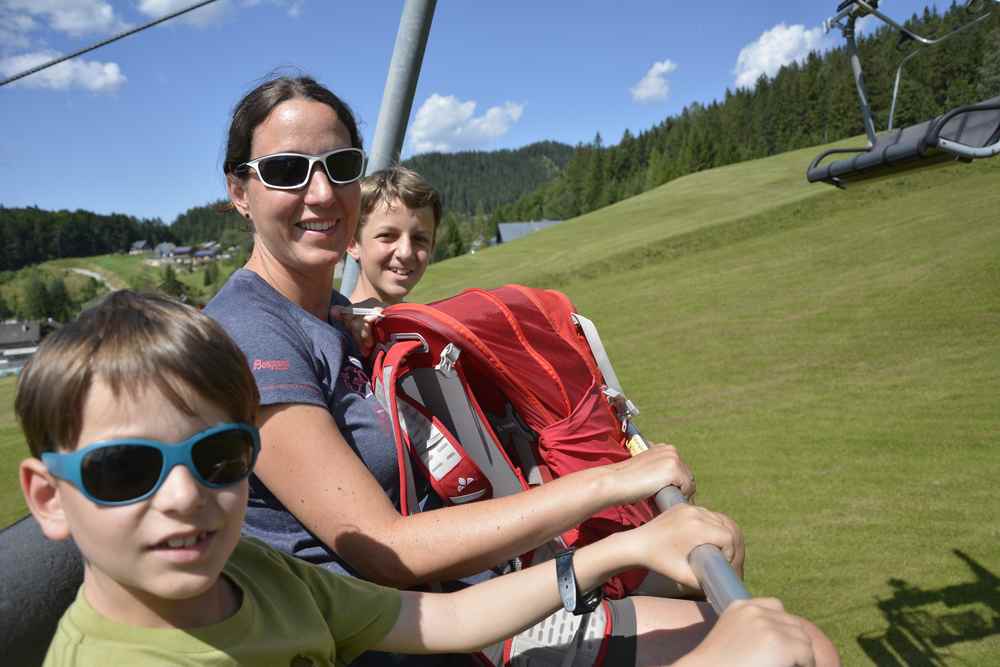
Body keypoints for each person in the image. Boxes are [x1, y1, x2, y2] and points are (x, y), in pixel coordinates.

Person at [206, 74, 840, 666]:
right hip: (407, 636)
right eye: (287, 171)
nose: (320, 192)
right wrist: (615, 483)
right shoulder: (252, 333)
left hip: (467, 599)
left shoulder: (335, 317)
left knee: (750, 611)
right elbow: (386, 547)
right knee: (790, 646)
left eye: (339, 167)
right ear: (239, 191)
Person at [17, 290, 815, 667]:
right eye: (125, 469)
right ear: (48, 497)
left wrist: (616, 552)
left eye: (219, 457)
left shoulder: (247, 573)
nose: (185, 495)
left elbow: (438, 620)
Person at [347, 165, 440, 305]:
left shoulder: (424, 324)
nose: (405, 252)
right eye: (387, 236)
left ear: (432, 246)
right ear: (352, 243)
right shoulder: (331, 325)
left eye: (420, 239)